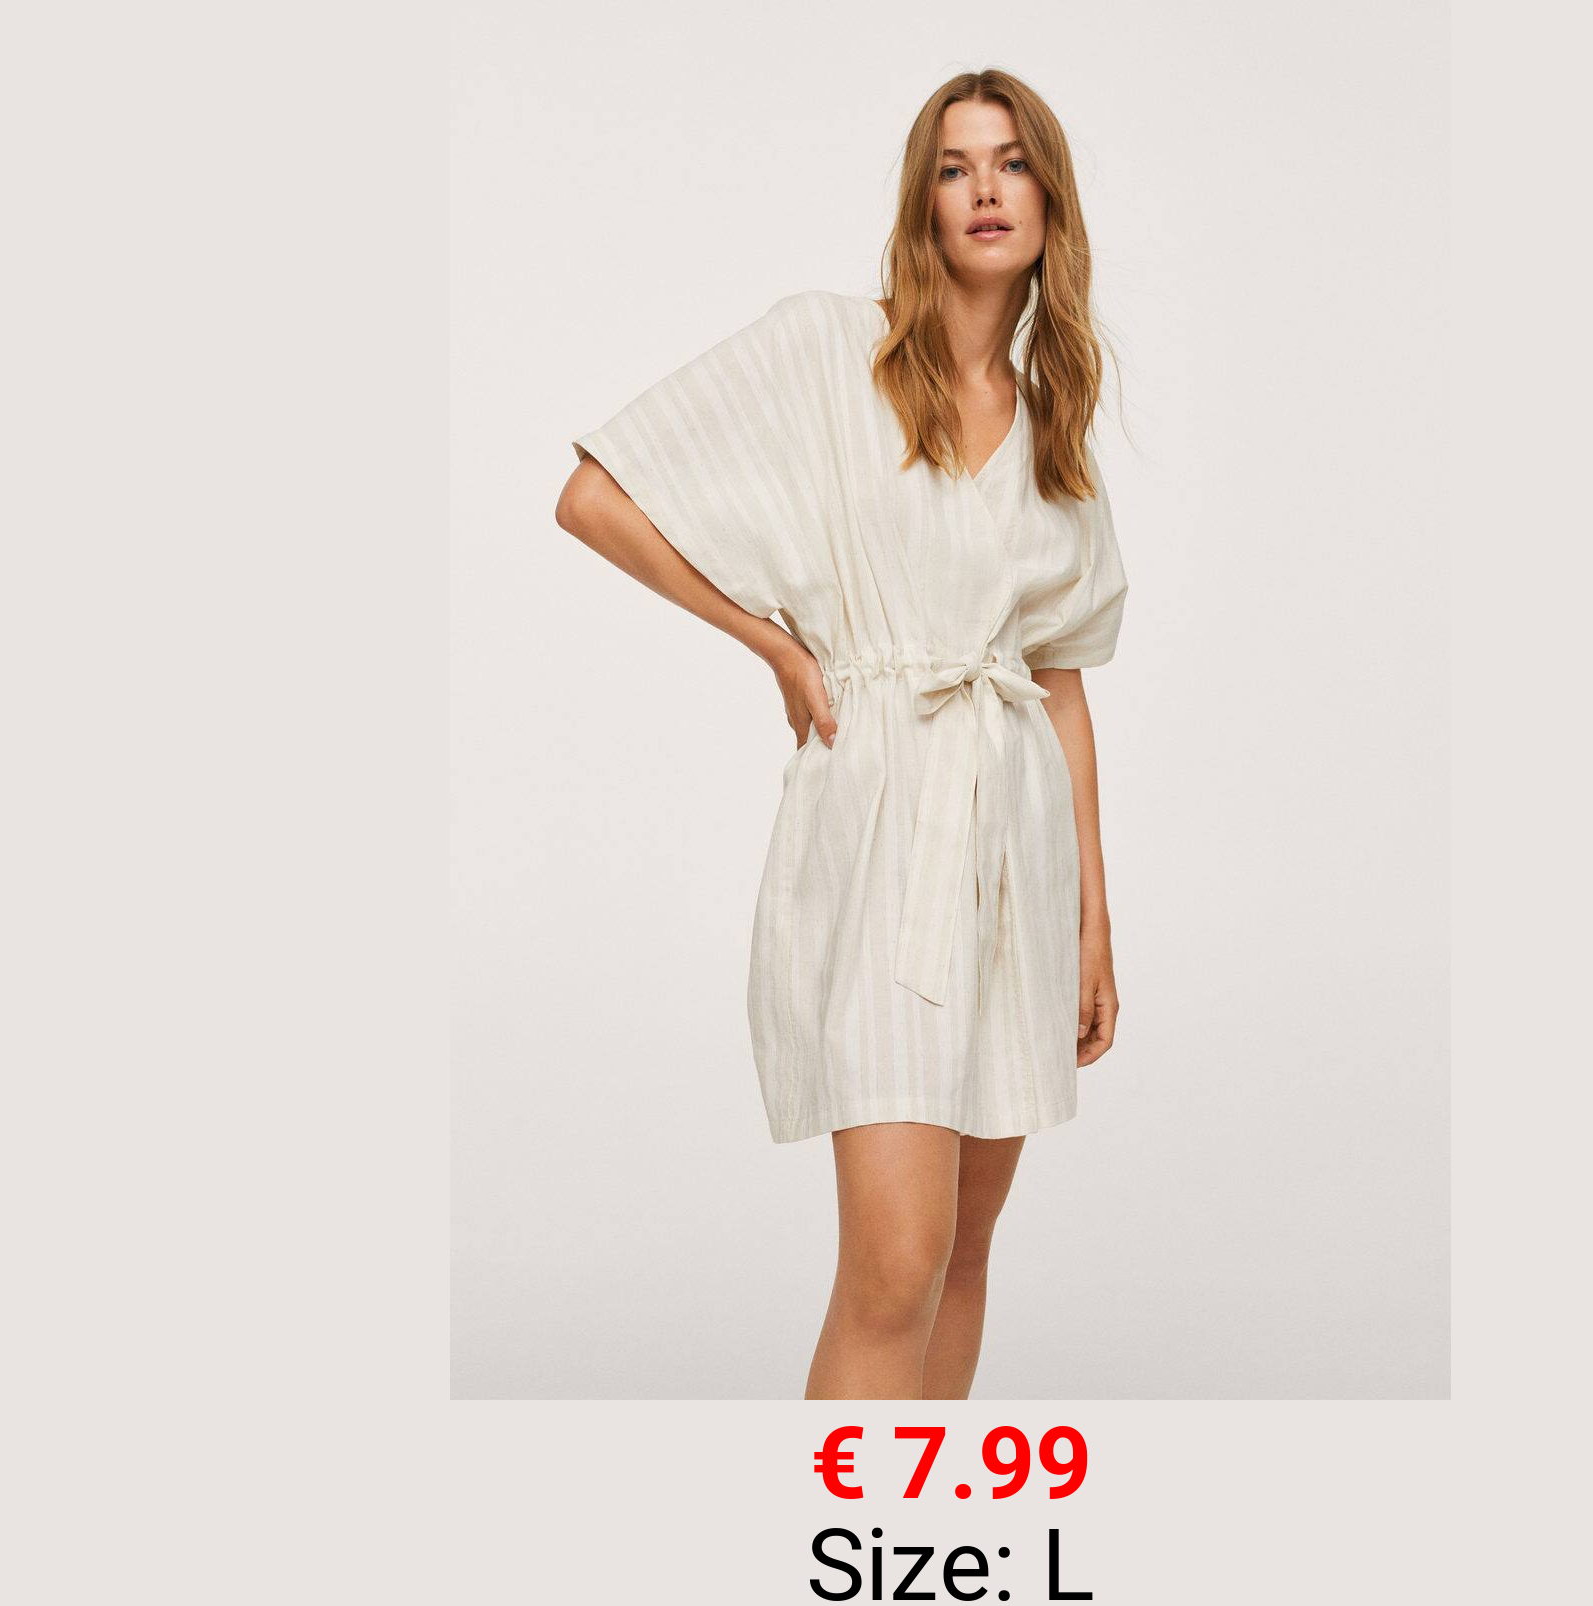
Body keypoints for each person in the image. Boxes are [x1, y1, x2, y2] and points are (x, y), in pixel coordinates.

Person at [554, 69, 1128, 1400]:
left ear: (1050, 200)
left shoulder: (1054, 429)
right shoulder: (830, 351)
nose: (984, 190)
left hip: (1013, 855)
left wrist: (1092, 920)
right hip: (878, 838)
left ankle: (911, 1517)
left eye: (1011, 163)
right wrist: (774, 641)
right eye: (953, 167)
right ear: (921, 204)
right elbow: (593, 497)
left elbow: (1056, 681)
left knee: (963, 1256)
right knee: (894, 1263)